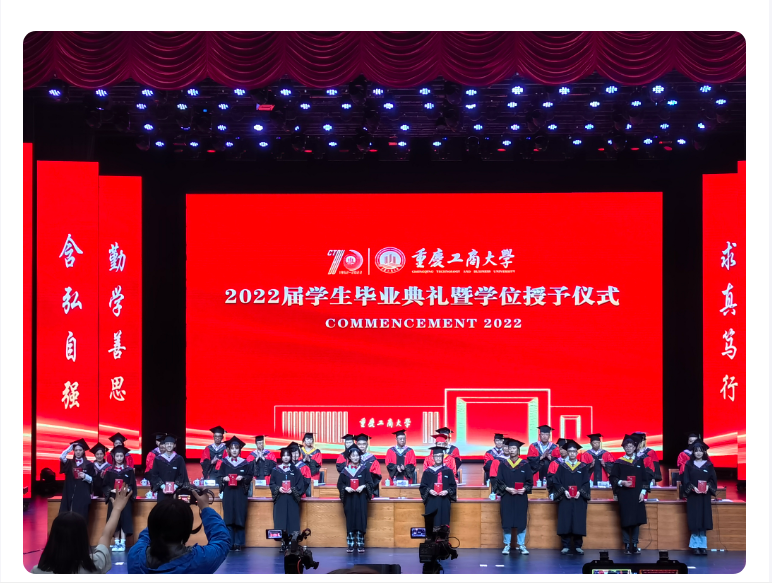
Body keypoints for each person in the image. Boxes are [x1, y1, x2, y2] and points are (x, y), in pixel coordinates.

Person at [33, 485, 132, 573]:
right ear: (83, 538)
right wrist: (117, 509)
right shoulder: (95, 565)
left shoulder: (36, 571)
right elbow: (107, 535)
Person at [127, 489, 230, 573]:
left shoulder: (135, 556)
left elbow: (147, 535)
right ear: (187, 529)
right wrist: (205, 507)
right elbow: (221, 541)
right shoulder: (199, 560)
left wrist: (168, 509)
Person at [608, 435, 654, 554]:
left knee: (636, 520)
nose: (628, 448)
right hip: (624, 494)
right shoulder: (619, 462)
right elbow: (613, 477)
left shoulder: (639, 461)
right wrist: (621, 482)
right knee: (625, 519)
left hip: (637, 494)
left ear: (634, 447)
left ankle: (634, 544)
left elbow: (644, 479)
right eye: (626, 446)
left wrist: (643, 492)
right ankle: (627, 545)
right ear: (624, 448)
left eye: (631, 446)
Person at [493, 439, 532, 555]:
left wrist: (524, 489)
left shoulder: (525, 465)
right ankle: (507, 545)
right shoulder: (503, 465)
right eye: (510, 448)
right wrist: (507, 489)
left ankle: (522, 545)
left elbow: (529, 482)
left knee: (521, 521)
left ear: (518, 450)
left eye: (514, 448)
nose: (511, 450)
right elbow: (499, 481)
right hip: (507, 497)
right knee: (507, 521)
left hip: (521, 497)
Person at [551, 440, 590, 554]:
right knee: (565, 520)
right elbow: (556, 481)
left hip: (579, 499)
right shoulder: (562, 467)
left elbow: (586, 483)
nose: (572, 453)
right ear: (567, 453)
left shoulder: (582, 467)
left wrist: (580, 492)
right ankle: (566, 545)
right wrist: (564, 491)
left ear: (577, 453)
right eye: (570, 451)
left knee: (578, 520)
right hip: (565, 498)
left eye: (574, 451)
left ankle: (578, 545)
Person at [216, 436, 253, 551]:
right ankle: (230, 543)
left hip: (240, 494)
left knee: (239, 517)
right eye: (232, 448)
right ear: (229, 450)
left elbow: (249, 476)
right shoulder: (224, 463)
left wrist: (243, 478)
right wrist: (224, 479)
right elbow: (219, 477)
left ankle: (239, 543)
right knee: (229, 517)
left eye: (236, 448)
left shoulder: (245, 464)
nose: (234, 450)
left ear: (239, 450)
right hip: (228, 493)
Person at [681, 441, 717, 555]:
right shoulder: (689, 465)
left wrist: (708, 486)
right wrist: (692, 488)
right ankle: (695, 546)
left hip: (704, 497)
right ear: (693, 452)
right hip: (693, 497)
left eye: (701, 451)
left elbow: (713, 480)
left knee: (704, 519)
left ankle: (703, 546)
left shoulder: (709, 465)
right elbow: (685, 480)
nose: (698, 453)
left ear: (704, 452)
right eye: (696, 451)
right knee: (695, 520)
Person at [337, 446, 375, 553]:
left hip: (361, 499)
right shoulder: (345, 471)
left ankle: (360, 544)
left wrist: (363, 486)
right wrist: (346, 488)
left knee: (360, 520)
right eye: (353, 455)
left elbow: (370, 483)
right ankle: (350, 544)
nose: (355, 457)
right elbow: (340, 484)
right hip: (349, 499)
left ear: (360, 456)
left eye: (357, 455)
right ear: (349, 457)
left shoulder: (364, 469)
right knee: (350, 520)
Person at [269, 446, 306, 551]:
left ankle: (291, 542)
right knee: (280, 520)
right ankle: (283, 542)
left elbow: (300, 484)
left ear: (290, 456)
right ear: (281, 457)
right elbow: (272, 484)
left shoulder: (295, 470)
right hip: (280, 499)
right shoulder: (276, 470)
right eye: (283, 455)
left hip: (292, 499)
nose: (285, 457)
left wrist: (293, 490)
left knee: (292, 520)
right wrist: (278, 488)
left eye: (287, 455)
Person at [101, 445, 137, 552]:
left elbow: (132, 485)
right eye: (117, 456)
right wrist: (111, 490)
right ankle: (116, 542)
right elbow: (105, 485)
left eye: (121, 456)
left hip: (125, 498)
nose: (119, 458)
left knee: (125, 519)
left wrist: (127, 489)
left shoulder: (129, 470)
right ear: (114, 457)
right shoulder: (109, 471)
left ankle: (123, 542)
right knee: (115, 519)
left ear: (124, 457)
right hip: (114, 498)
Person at [419, 447, 457, 532]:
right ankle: (431, 540)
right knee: (431, 522)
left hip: (444, 501)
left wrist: (447, 491)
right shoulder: (428, 472)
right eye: (436, 456)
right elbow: (423, 486)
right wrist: (429, 490)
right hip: (431, 500)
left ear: (443, 457)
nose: (438, 458)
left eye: (440, 456)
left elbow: (453, 486)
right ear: (433, 457)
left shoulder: (448, 471)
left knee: (444, 522)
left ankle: (443, 540)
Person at [59, 438, 96, 520]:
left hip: (83, 495)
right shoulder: (70, 463)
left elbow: (94, 480)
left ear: (83, 451)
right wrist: (69, 449)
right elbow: (61, 457)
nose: (78, 452)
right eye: (76, 450)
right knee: (68, 517)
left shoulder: (89, 464)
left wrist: (85, 476)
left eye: (80, 450)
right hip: (70, 493)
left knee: (81, 517)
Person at [148, 434, 189, 503]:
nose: (169, 445)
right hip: (162, 491)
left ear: (174, 445)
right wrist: (163, 487)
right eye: (167, 444)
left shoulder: (179, 459)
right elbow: (154, 475)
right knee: (162, 508)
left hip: (176, 491)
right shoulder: (158, 459)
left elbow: (182, 474)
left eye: (171, 443)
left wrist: (175, 486)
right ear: (164, 445)